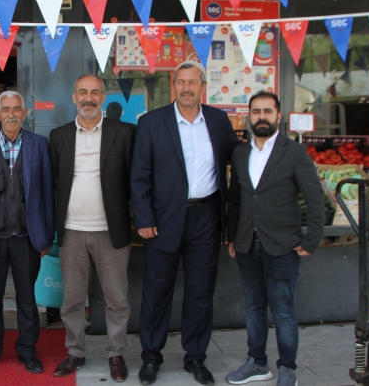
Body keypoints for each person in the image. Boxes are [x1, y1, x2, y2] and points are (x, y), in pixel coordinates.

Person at [131, 61, 240, 385]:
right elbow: (139, 176)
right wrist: (144, 218)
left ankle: (195, 357)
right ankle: (151, 357)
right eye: (181, 82)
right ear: (173, 85)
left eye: (193, 82)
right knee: (156, 292)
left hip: (206, 217)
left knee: (200, 292)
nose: (186, 87)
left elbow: (238, 157)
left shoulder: (218, 121)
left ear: (202, 86)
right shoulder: (151, 122)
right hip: (163, 219)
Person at [225, 92, 325, 386]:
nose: (261, 116)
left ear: (278, 116)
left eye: (267, 111)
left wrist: (312, 239)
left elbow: (314, 197)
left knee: (283, 312)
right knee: (254, 308)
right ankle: (257, 364)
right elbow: (236, 198)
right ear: (249, 116)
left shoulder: (294, 152)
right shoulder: (240, 153)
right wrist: (233, 236)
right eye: (256, 111)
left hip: (282, 245)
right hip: (247, 244)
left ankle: (288, 370)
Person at [49, 75, 135, 382]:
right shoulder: (59, 136)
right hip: (71, 231)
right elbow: (54, 182)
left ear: (103, 97)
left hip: (111, 231)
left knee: (117, 299)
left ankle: (115, 353)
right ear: (74, 97)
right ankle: (75, 351)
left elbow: (134, 181)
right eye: (83, 92)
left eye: (95, 92)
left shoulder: (125, 133)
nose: (89, 98)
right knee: (71, 299)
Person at [0, 91, 54, 375]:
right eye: (6, 109)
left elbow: (48, 194)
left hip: (27, 237)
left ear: (25, 113)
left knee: (27, 298)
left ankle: (28, 351)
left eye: (17, 109)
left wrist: (46, 235)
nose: (12, 114)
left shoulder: (39, 145)